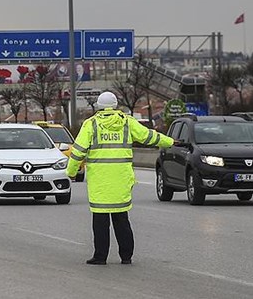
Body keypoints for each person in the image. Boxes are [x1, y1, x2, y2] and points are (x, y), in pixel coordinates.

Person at [66, 91, 176, 265]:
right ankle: (126, 256)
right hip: (121, 179)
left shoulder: (91, 124)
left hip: (100, 181)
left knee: (100, 221)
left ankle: (100, 256)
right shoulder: (127, 122)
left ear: (99, 106)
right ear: (116, 105)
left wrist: (71, 172)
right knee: (121, 219)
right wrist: (170, 142)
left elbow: (78, 151)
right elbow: (148, 136)